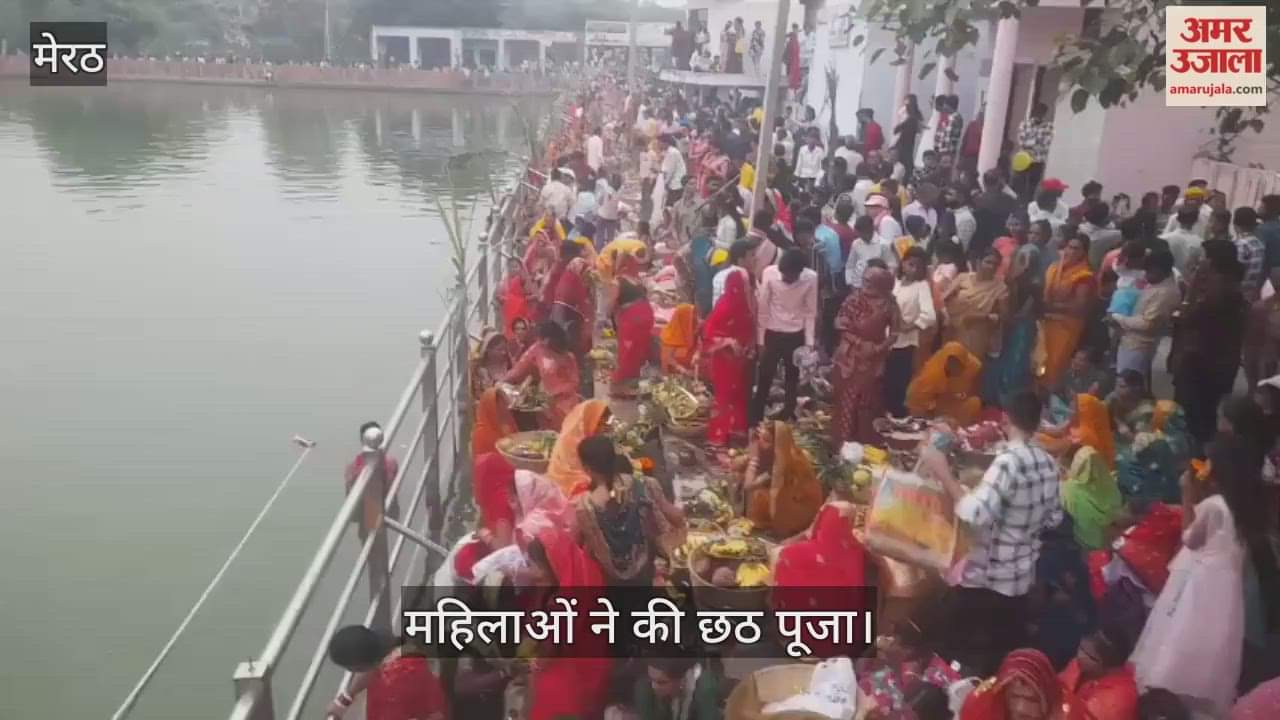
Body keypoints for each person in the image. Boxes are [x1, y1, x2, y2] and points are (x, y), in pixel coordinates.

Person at [920, 391, 1064, 675]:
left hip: (988, 581)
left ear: (1005, 419)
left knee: (960, 656)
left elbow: (974, 513)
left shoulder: (1008, 462)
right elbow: (1054, 518)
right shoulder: (1048, 462)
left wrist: (942, 470)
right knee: (999, 661)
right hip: (1020, 580)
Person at [1130, 439, 1252, 718]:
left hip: (1202, 580)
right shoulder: (1242, 507)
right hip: (1227, 587)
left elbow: (1190, 539)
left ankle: (1169, 698)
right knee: (1211, 640)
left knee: (1180, 635)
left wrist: (1186, 496)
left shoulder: (1213, 505)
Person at [522, 526, 614, 720]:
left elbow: (544, 656)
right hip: (593, 674)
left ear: (553, 565)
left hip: (572, 682)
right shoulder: (582, 570)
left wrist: (531, 664)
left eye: (534, 565)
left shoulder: (562, 603)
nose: (531, 572)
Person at [574, 435, 683, 586]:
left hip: (609, 579)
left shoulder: (583, 506)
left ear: (587, 469)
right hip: (643, 571)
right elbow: (674, 516)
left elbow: (579, 545)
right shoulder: (645, 485)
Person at [1172, 251, 1248, 444]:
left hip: (1200, 367)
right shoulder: (1236, 299)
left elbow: (1185, 318)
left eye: (1207, 269)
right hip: (1218, 367)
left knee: (1194, 419)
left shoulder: (1214, 301)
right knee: (1206, 415)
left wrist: (1193, 287)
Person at [832, 265, 902, 448]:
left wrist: (879, 348)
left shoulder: (889, 304)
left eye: (872, 282)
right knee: (846, 399)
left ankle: (864, 443)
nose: (867, 285)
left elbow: (895, 333)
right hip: (849, 356)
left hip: (873, 358)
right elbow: (841, 325)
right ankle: (842, 443)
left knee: (867, 401)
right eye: (865, 280)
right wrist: (859, 344)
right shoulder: (854, 299)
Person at [752, 248, 818, 424]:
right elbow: (763, 309)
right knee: (765, 376)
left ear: (800, 272)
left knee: (792, 378)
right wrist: (760, 341)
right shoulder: (769, 274)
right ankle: (755, 417)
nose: (787, 279)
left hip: (796, 334)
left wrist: (809, 344)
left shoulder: (811, 278)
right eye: (784, 274)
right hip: (772, 333)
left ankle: (788, 415)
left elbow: (810, 311)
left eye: (791, 276)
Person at [326, 625, 448, 720]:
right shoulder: (397, 649)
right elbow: (370, 669)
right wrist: (345, 698)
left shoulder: (390, 689)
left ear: (357, 667)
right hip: (432, 703)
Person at [1108, 369, 1192, 507]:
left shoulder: (1145, 411)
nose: (1117, 390)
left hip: (1148, 449)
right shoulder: (1116, 399)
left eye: (1122, 386)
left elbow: (1139, 440)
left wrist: (1119, 422)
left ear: (1136, 389)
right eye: (1117, 385)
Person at [703, 241, 756, 446]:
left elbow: (750, 325)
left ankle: (736, 432)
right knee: (725, 395)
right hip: (726, 359)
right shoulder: (725, 307)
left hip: (742, 358)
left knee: (740, 394)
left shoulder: (747, 306)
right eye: (751, 256)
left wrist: (750, 346)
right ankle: (719, 437)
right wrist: (728, 342)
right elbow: (708, 332)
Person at [854, 618, 961, 718]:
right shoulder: (886, 666)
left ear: (907, 650)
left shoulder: (918, 674)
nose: (884, 640)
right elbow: (858, 670)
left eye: (892, 639)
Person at [743, 421, 825, 536]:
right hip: (784, 499)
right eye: (760, 438)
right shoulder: (771, 453)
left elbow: (749, 486)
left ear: (779, 443)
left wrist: (754, 459)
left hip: (799, 508)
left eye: (766, 440)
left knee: (763, 493)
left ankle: (781, 527)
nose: (760, 443)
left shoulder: (788, 460)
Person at [957, 648, 1085, 719]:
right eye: (1015, 696)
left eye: (1031, 699)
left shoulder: (1069, 715)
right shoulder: (981, 703)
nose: (1020, 708)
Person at [884, 247, 938, 414]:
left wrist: (911, 325)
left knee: (899, 382)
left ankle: (898, 417)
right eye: (910, 264)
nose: (913, 270)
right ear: (903, 263)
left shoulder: (921, 286)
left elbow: (930, 315)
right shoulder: (896, 282)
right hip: (886, 339)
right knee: (884, 380)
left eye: (918, 267)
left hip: (905, 341)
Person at [1111, 248, 1178, 381]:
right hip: (1130, 340)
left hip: (1139, 345)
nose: (1146, 275)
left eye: (1150, 272)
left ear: (1162, 271)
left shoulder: (1165, 293)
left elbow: (1148, 324)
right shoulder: (1157, 284)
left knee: (1127, 383)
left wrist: (1117, 318)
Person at [1041, 234, 1096, 389]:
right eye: (1069, 247)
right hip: (1046, 323)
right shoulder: (1054, 267)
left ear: (1084, 253)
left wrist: (1052, 307)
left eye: (1076, 248)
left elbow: (1080, 306)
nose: (1070, 251)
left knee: (1056, 364)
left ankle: (1051, 399)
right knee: (1040, 361)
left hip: (1066, 326)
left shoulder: (1085, 275)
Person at [504, 321, 581, 429]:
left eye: (545, 339)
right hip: (546, 407)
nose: (543, 342)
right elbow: (518, 370)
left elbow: (575, 382)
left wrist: (555, 393)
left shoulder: (568, 356)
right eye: (541, 339)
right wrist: (501, 382)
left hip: (567, 405)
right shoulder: (537, 349)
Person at [1057, 625, 1140, 720]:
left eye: (1088, 655)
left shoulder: (1116, 700)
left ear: (1106, 665)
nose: (1080, 656)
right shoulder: (1078, 665)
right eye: (1081, 648)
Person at [943, 248, 1010, 359]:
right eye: (988, 262)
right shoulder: (963, 278)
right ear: (978, 262)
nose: (991, 267)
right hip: (953, 330)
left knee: (969, 368)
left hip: (977, 334)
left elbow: (1005, 317)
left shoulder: (1000, 288)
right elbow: (944, 300)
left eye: (995, 264)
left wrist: (985, 317)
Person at [906, 341, 983, 425]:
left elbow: (976, 391)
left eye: (957, 364)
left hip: (957, 405)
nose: (954, 366)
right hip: (937, 409)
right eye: (951, 363)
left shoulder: (973, 367)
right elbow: (918, 399)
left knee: (975, 403)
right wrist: (936, 417)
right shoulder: (933, 373)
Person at [544, 398, 610, 497]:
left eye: (606, 424)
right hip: (565, 494)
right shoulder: (571, 442)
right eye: (600, 423)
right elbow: (574, 476)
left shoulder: (591, 439)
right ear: (587, 420)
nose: (604, 429)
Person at [632, 657, 724, 720]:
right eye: (651, 680)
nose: (654, 686)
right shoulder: (645, 689)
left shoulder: (704, 689)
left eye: (661, 682)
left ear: (683, 680)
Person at [611, 279, 654, 395]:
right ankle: (634, 378)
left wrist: (605, 316)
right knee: (637, 348)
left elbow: (611, 304)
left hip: (634, 318)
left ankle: (623, 384)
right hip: (645, 314)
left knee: (628, 351)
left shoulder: (615, 283)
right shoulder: (630, 281)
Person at [1016, 104, 1054, 200]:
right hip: (1023, 160)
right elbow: (1022, 142)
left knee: (1032, 188)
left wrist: (1030, 141)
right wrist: (1037, 141)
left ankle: (1027, 208)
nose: (1039, 114)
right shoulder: (1024, 124)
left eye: (1042, 112)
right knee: (1020, 186)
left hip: (1038, 161)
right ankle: (1019, 206)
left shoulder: (1048, 126)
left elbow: (1046, 144)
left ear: (1044, 114)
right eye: (1037, 112)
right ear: (1033, 112)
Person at [472, 386, 518, 459]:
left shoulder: (508, 426)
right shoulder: (481, 434)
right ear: (490, 409)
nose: (505, 411)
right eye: (499, 408)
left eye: (505, 406)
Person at [1160, 206, 1204, 278]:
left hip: (1166, 281)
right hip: (1186, 282)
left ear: (1177, 219)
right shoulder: (1200, 243)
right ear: (1196, 220)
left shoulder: (1163, 239)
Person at [1234, 206, 1266, 301]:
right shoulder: (1259, 244)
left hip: (1237, 295)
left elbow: (1235, 273)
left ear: (1235, 223)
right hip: (1251, 295)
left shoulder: (1241, 244)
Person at [470, 330, 513, 400]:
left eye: (505, 349)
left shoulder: (505, 365)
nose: (503, 353)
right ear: (488, 351)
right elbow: (484, 395)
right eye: (500, 350)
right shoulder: (482, 372)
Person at [892, 94, 924, 182]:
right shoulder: (912, 116)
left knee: (906, 164)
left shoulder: (913, 117)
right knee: (905, 164)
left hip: (906, 142)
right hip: (905, 142)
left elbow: (897, 129)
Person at [660, 303, 698, 374]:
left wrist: (697, 354)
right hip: (675, 374)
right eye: (693, 314)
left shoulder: (693, 329)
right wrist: (682, 369)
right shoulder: (671, 335)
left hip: (692, 371)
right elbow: (668, 358)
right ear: (683, 317)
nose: (695, 317)